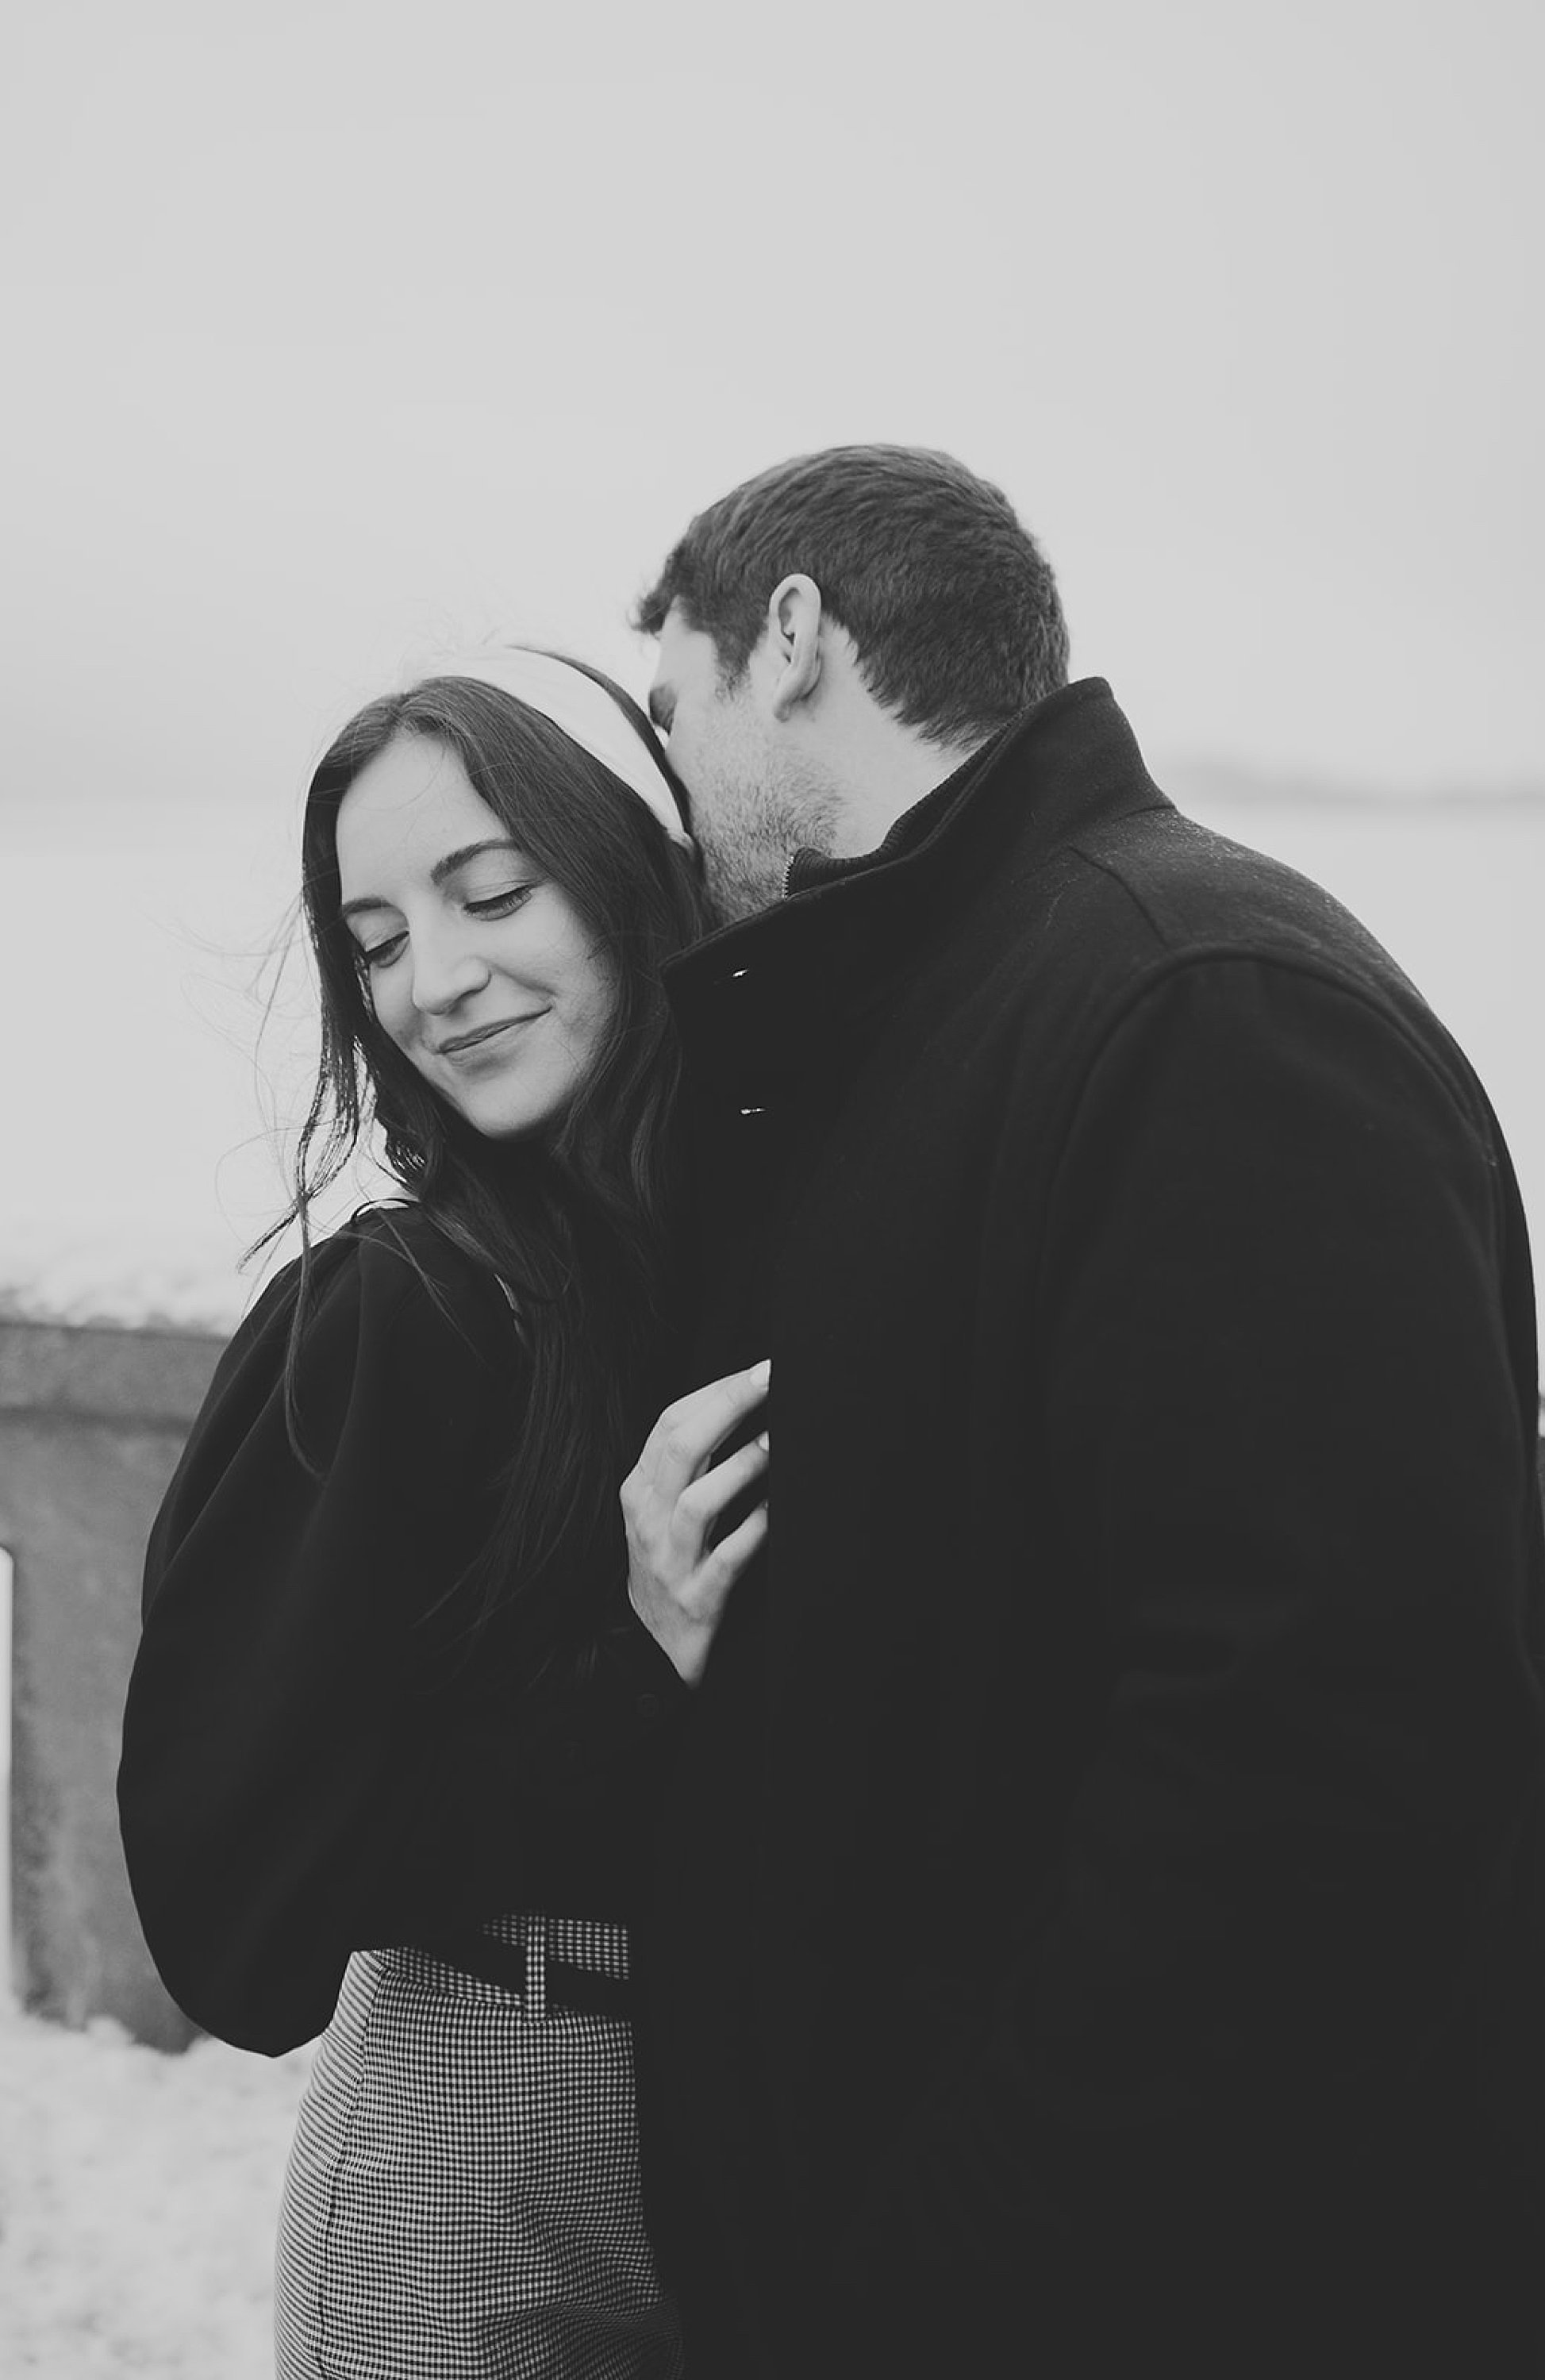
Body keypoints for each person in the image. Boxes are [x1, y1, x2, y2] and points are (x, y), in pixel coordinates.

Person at [621, 446, 1545, 2378]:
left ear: (790, 639)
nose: (665, 790)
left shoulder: (1198, 1003)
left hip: (1114, 2305)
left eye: (672, 707)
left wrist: (929, 2276)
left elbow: (1306, 1767)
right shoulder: (942, 1010)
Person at [118, 648, 769, 2380]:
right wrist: (633, 1660)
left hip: (767, 2143)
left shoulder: (754, 1261)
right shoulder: (392, 1316)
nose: (439, 982)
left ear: (631, 884)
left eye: (491, 893)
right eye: (382, 939)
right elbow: (232, 1911)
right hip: (481, 2149)